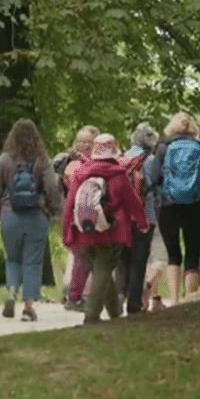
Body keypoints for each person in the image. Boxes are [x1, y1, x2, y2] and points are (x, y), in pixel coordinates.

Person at [62, 134, 148, 324]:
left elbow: (69, 204)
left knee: (101, 270)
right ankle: (91, 316)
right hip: (112, 231)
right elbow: (133, 202)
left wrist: (67, 232)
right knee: (103, 270)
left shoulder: (82, 172)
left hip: (85, 230)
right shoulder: (118, 175)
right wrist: (142, 224)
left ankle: (115, 313)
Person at [0, 118, 62, 322]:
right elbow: (50, 188)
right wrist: (55, 211)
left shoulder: (4, 159)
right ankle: (28, 308)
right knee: (32, 261)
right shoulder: (42, 159)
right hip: (36, 216)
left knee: (13, 258)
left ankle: (11, 291)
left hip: (10, 214)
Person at [151, 112, 200, 304]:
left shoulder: (163, 147)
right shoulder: (199, 147)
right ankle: (189, 298)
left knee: (173, 255)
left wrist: (162, 193)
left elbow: (154, 178)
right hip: (195, 205)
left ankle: (175, 299)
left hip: (169, 206)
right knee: (192, 253)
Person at [116, 123, 159, 314]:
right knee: (139, 260)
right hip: (145, 215)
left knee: (123, 259)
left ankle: (118, 295)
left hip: (123, 217)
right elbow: (152, 185)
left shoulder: (122, 158)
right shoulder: (150, 160)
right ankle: (134, 304)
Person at [62, 125, 100, 312]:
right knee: (82, 256)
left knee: (86, 257)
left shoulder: (98, 163)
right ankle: (74, 296)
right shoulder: (73, 165)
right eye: (80, 141)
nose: (84, 145)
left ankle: (79, 295)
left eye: (88, 141)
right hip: (79, 217)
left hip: (94, 216)